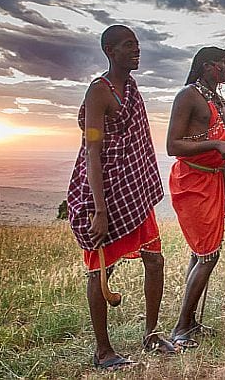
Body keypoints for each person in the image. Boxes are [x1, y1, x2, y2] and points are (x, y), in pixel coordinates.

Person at [67, 25, 174, 370]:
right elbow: (93, 150)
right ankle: (103, 351)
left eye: (138, 45)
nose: (137, 51)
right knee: (102, 270)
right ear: (110, 51)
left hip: (134, 190)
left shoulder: (130, 87)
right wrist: (99, 210)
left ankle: (152, 333)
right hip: (107, 191)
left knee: (155, 260)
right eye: (129, 46)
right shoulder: (99, 91)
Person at [166, 46, 225, 347]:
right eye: (222, 63)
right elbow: (173, 145)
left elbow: (219, 148)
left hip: (214, 180)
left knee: (202, 253)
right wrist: (215, 145)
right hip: (192, 180)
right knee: (208, 254)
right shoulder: (188, 96)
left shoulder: (218, 100)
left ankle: (192, 322)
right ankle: (181, 328)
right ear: (207, 67)